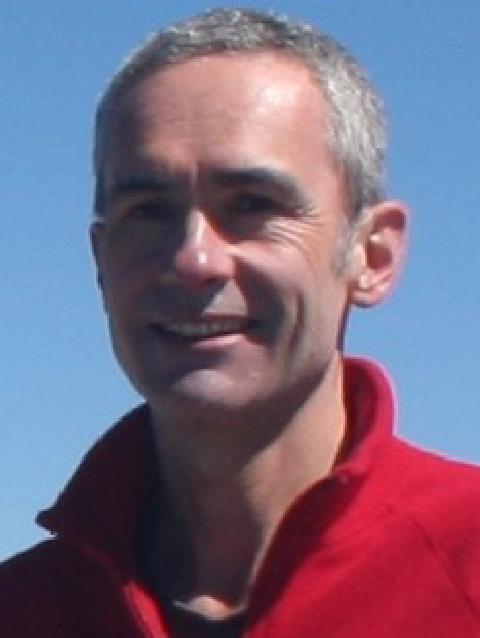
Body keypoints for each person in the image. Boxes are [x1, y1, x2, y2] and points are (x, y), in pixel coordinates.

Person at [1, 8, 480, 637]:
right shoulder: (25, 608)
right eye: (148, 211)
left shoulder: (464, 563)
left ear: (373, 256)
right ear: (100, 259)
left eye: (253, 205)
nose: (193, 260)